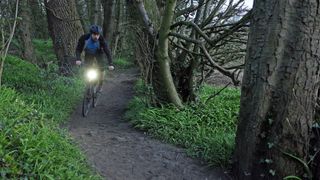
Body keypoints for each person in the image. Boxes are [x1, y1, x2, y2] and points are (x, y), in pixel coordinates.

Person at [75, 25, 114, 92]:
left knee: (101, 69)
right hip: (88, 54)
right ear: (91, 34)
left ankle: (100, 84)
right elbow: (78, 49)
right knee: (87, 69)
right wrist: (78, 59)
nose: (96, 36)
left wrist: (110, 64)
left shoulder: (101, 40)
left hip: (99, 53)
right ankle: (87, 86)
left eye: (98, 35)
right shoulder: (84, 38)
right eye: (94, 34)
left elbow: (107, 52)